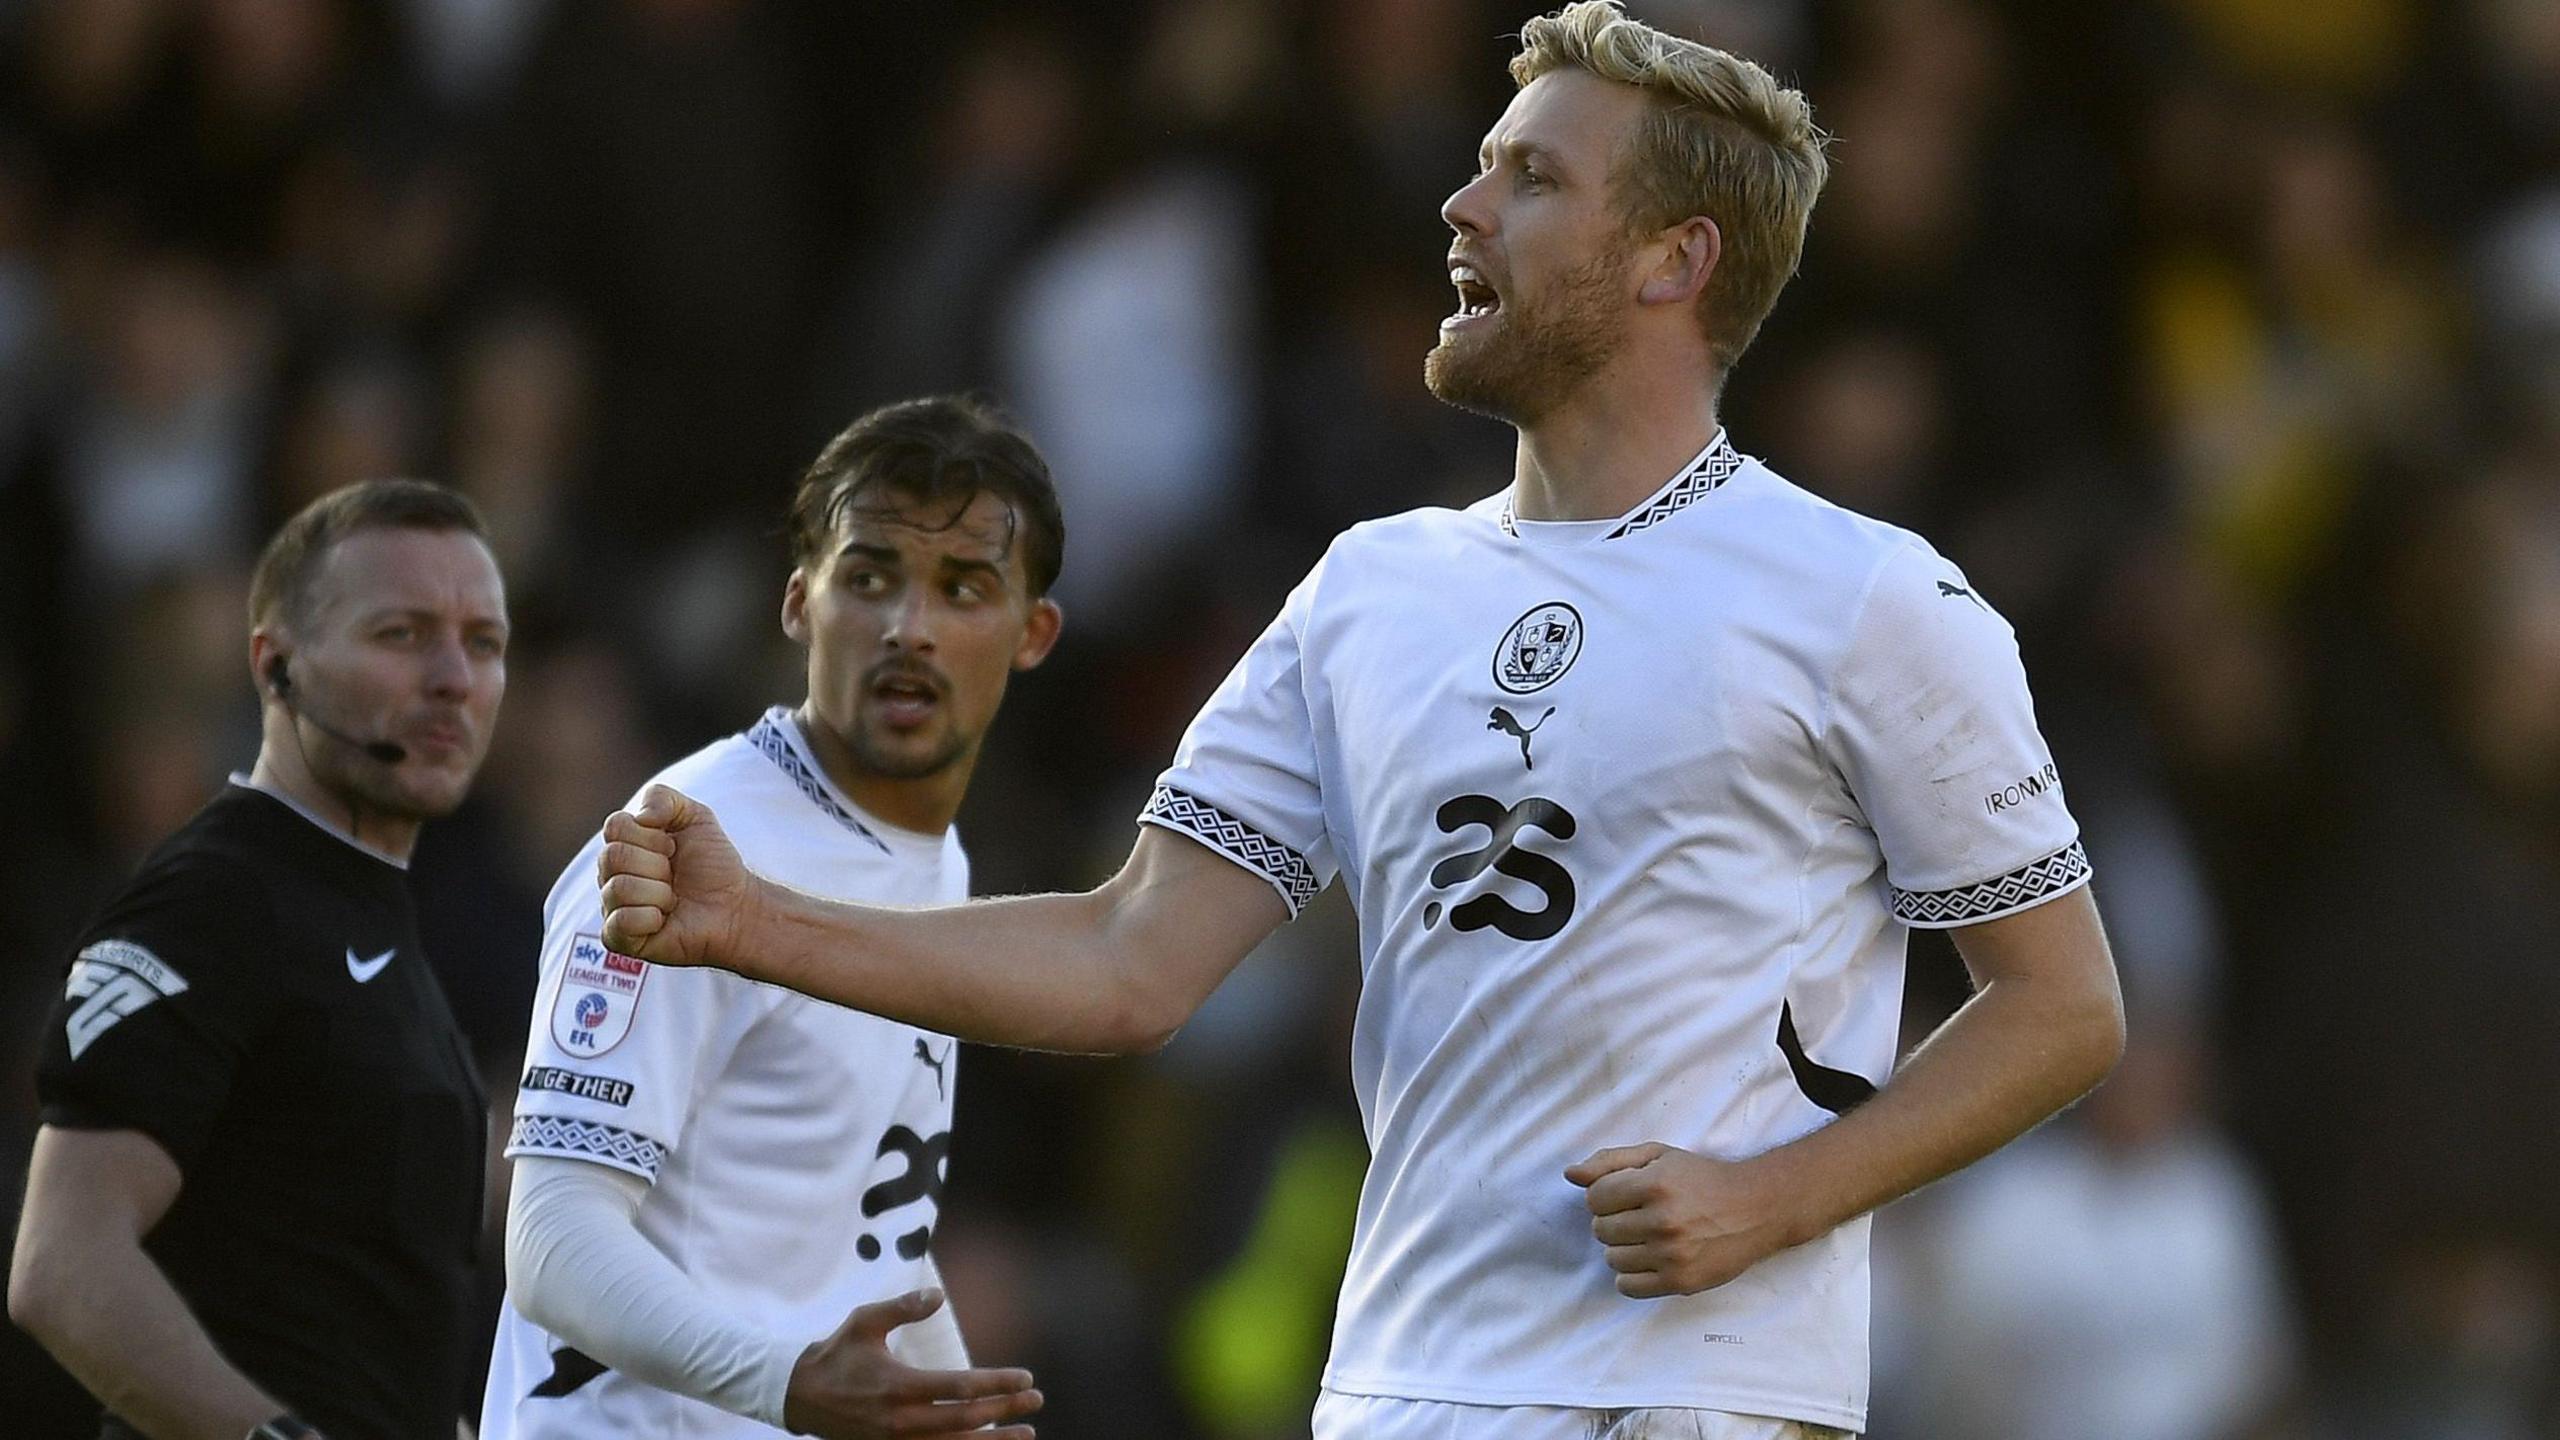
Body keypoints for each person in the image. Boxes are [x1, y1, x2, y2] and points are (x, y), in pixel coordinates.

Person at [595, 6, 2125, 1438]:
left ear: (1674, 259)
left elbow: (2064, 1008)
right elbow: (1129, 960)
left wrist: (1778, 1199)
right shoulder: (1370, 588)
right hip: (1396, 1385)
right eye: (1477, 167)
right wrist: (757, 924)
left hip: (1686, 1392)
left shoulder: (1866, 597)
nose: (1460, 209)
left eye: (1529, 178)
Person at [479, 396, 1053, 1440]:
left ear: (1033, 633)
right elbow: (554, 1238)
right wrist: (784, 1382)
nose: (908, 628)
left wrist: (951, 1410)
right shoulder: (680, 850)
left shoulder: (934, 861)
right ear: (799, 603)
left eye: (963, 588)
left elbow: (861, 1228)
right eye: (869, 578)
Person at [9, 480, 509, 1440]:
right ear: (276, 666)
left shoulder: (376, 919)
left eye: (482, 643)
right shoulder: (214, 900)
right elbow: (62, 1266)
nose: (453, 676)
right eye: (401, 634)